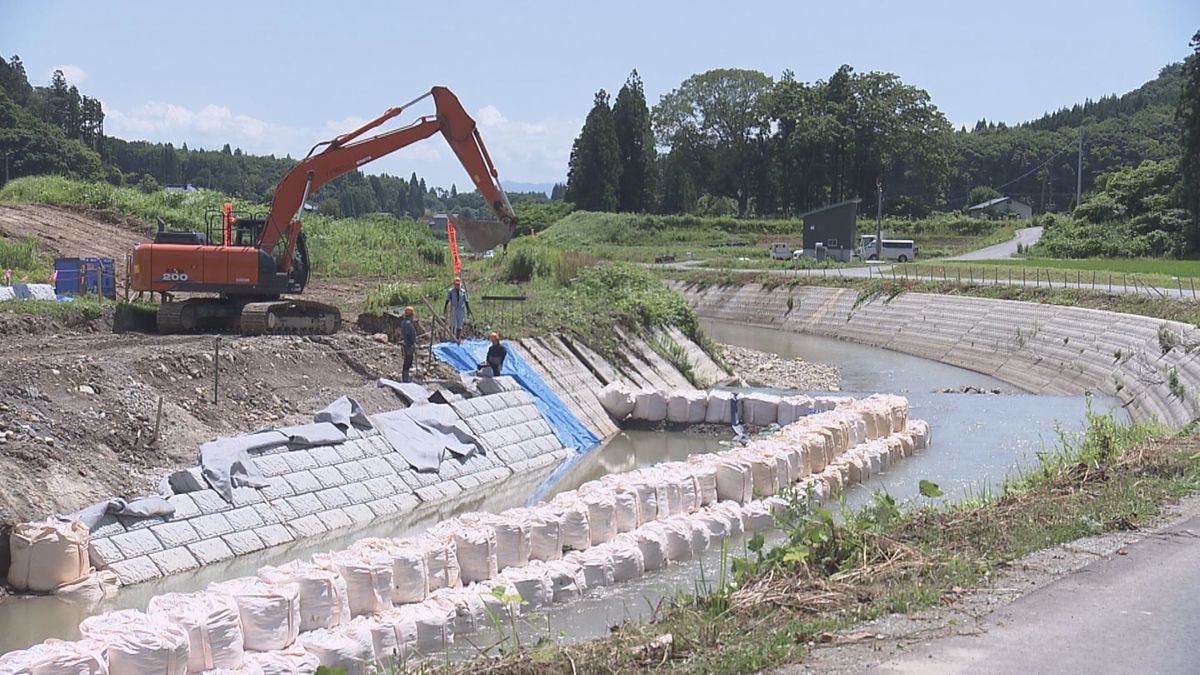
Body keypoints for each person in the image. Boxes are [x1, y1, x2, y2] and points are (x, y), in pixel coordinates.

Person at [443, 276, 470, 344]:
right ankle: (452, 337)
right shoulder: (451, 291)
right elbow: (447, 300)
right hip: (454, 309)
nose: (457, 286)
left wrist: (468, 309)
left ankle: (457, 338)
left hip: (461, 309)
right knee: (452, 323)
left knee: (459, 324)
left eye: (458, 284)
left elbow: (466, 301)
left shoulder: (463, 292)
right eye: (456, 284)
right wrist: (445, 308)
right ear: (454, 284)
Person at [400, 306, 417, 383]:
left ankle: (405, 377)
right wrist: (413, 343)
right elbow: (412, 335)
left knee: (406, 361)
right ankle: (405, 378)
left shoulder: (403, 323)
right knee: (408, 361)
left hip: (405, 344)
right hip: (409, 344)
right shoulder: (408, 324)